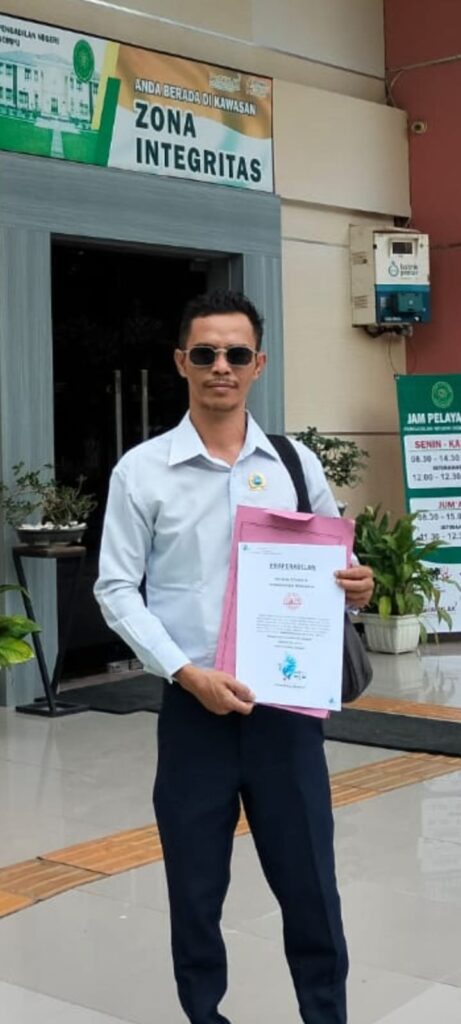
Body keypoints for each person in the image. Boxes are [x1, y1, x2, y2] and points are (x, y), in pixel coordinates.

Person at [95, 289, 374, 1024]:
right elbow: (116, 588)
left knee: (311, 888)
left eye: (236, 353)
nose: (221, 366)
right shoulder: (143, 472)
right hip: (195, 711)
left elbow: (336, 562)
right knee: (194, 892)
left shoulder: (293, 463)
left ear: (259, 365)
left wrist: (357, 584)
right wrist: (185, 673)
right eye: (206, 353)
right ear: (181, 362)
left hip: (287, 711)